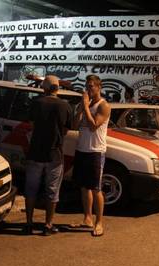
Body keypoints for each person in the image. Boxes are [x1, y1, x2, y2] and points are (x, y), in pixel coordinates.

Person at [24, 75, 72, 236]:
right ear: (57, 88)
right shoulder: (65, 106)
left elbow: (31, 125)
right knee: (52, 191)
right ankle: (48, 225)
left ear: (44, 87)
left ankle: (29, 223)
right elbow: (66, 130)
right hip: (55, 154)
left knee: (31, 189)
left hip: (35, 152)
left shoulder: (35, 103)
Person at [72, 74, 111, 237]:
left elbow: (94, 126)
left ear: (99, 87)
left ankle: (99, 222)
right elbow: (74, 125)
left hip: (95, 151)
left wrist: (86, 107)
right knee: (84, 187)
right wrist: (81, 108)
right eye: (87, 86)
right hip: (82, 149)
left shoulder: (104, 105)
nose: (88, 89)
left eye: (91, 86)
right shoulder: (85, 104)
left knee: (96, 188)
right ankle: (87, 218)